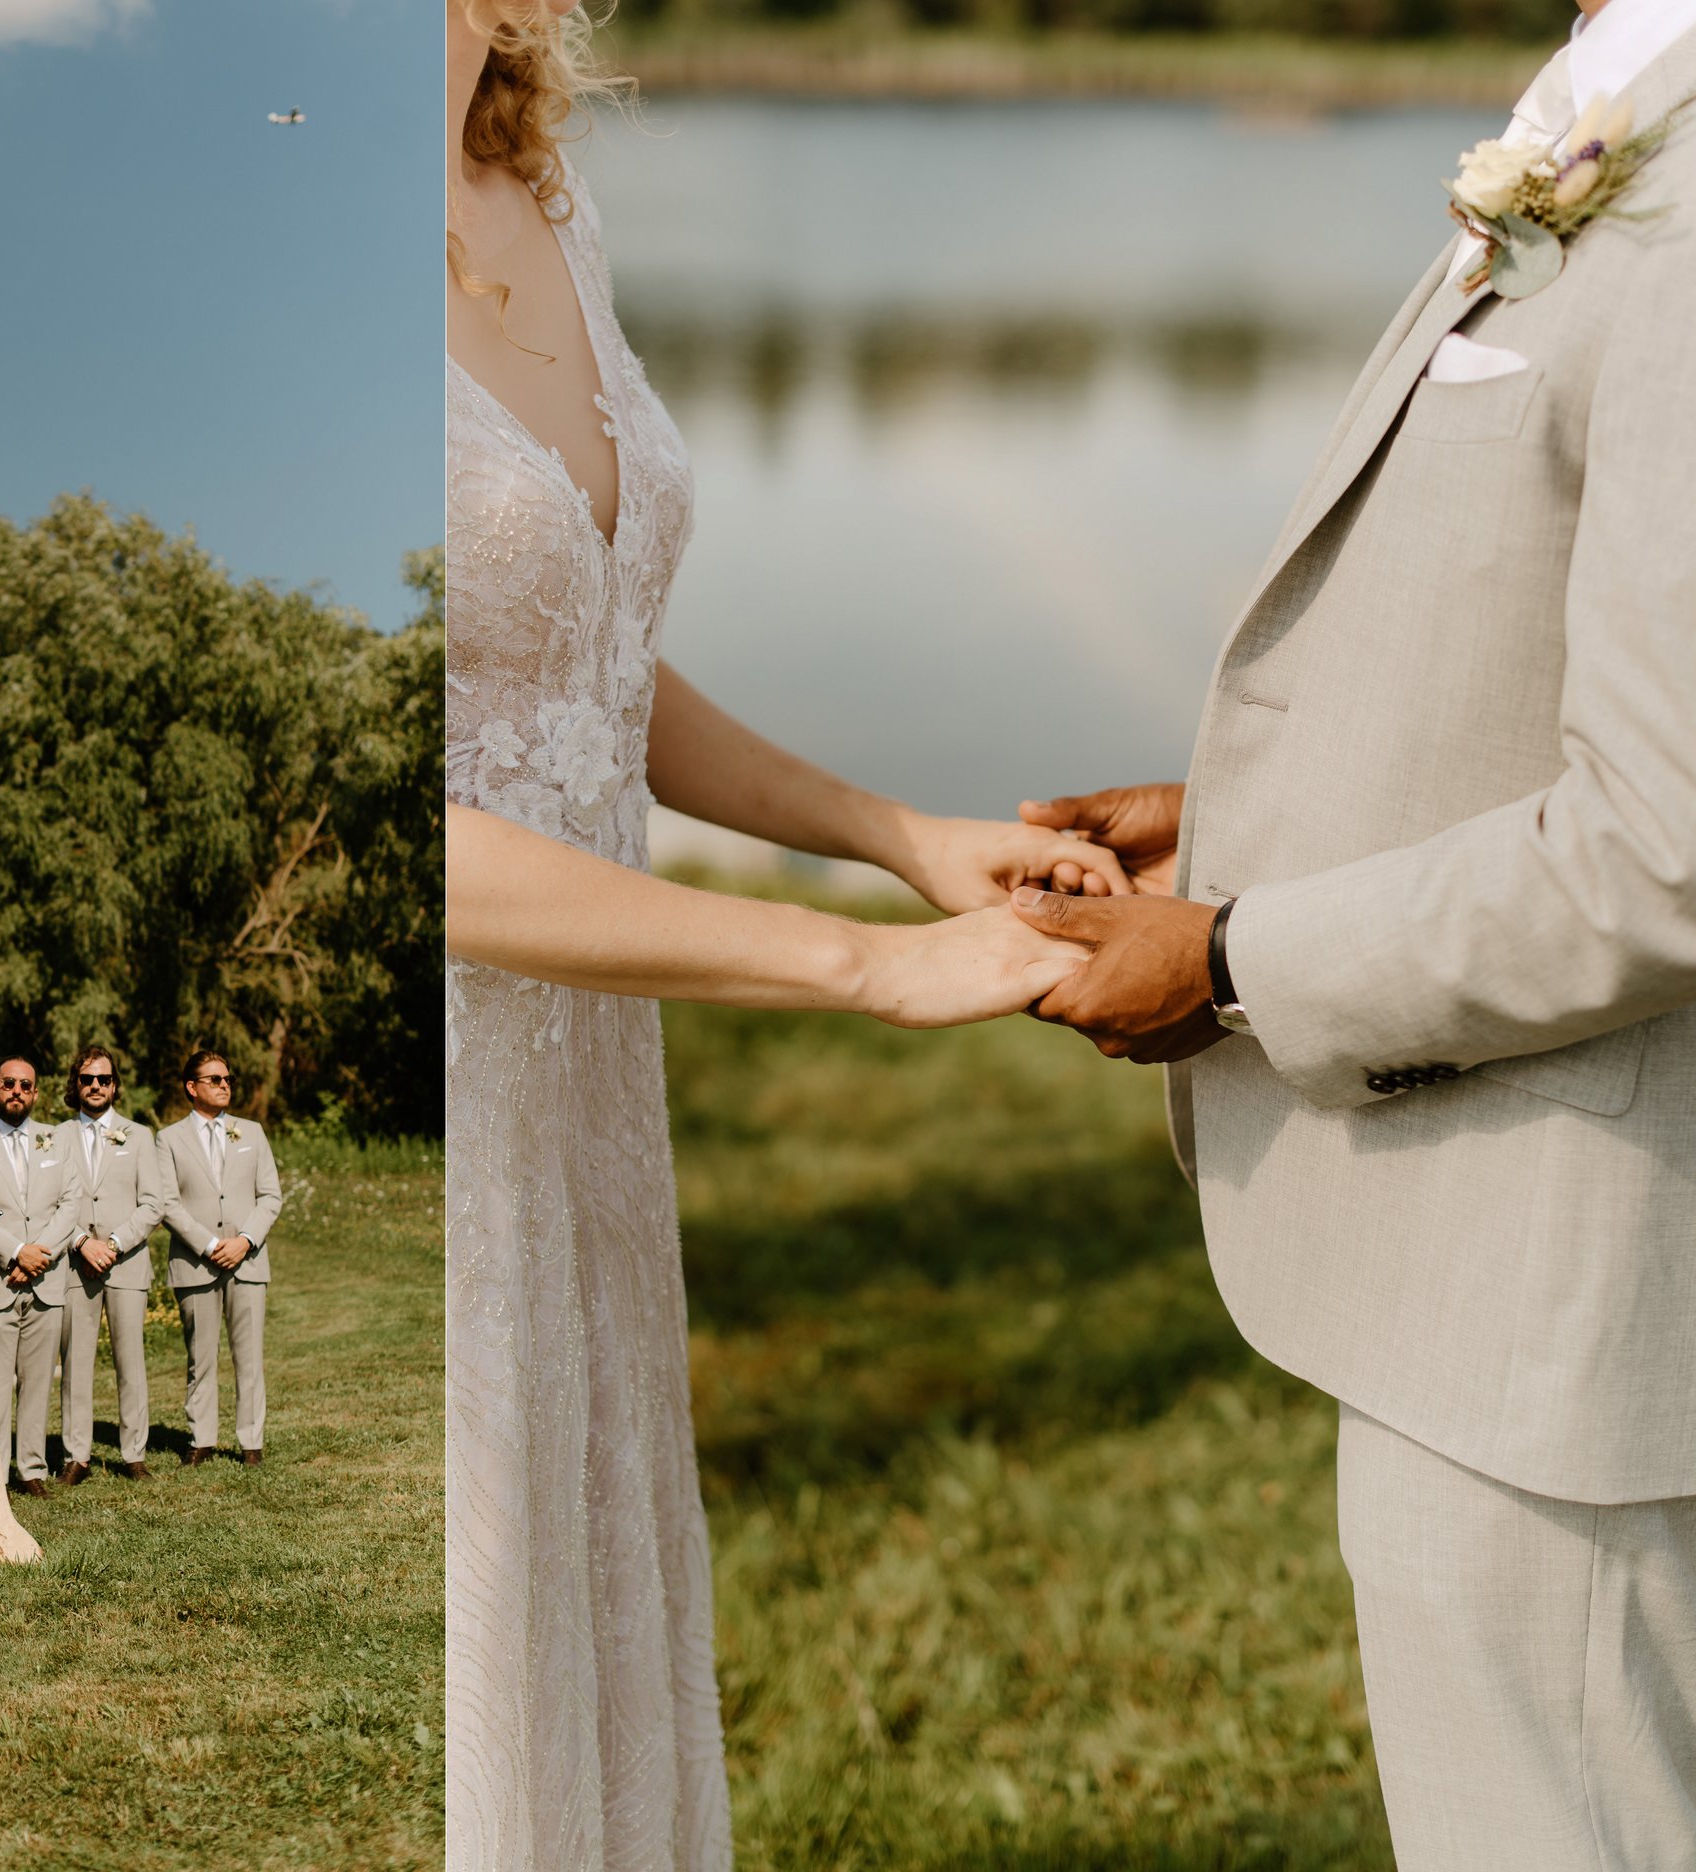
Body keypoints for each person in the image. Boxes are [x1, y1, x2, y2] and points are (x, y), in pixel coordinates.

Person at [1007, 1, 1696, 1860]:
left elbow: (1668, 844)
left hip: (1574, 1304)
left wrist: (1240, 953)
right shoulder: (1628, 100)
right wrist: (1242, 825)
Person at [443, 1, 1112, 1862]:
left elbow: (580, 664)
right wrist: (857, 962)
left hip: (590, 1069)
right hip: (451, 1067)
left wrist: (898, 839)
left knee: (582, 1540)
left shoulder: (536, 197)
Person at [157, 1051, 283, 1467]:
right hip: (197, 1263)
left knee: (249, 1356)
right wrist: (210, 1245)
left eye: (228, 1077)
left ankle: (251, 1443)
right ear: (191, 1087)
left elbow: (270, 1196)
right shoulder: (169, 1139)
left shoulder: (252, 1132)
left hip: (247, 1260)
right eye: (213, 1079)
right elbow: (168, 1204)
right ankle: (201, 1440)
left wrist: (244, 1240)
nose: (224, 1084)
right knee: (201, 1356)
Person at [53, 1046, 168, 1484]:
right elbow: (52, 1202)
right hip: (75, 1265)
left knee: (130, 1360)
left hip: (127, 1262)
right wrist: (82, 1241)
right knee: (76, 1360)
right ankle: (76, 1455)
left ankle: (133, 1453)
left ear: (114, 1084)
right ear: (75, 1085)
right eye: (87, 1079)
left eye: (103, 1079)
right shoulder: (57, 1136)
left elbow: (153, 1203)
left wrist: (114, 1243)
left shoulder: (140, 1136)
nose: (95, 1086)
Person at [0, 1057, 73, 1495]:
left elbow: (70, 1202)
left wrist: (40, 1254)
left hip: (47, 1277)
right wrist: (14, 1252)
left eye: (25, 1085)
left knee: (38, 1380)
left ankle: (31, 1469)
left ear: (35, 1093)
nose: (17, 1091)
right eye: (8, 1083)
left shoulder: (54, 1139)